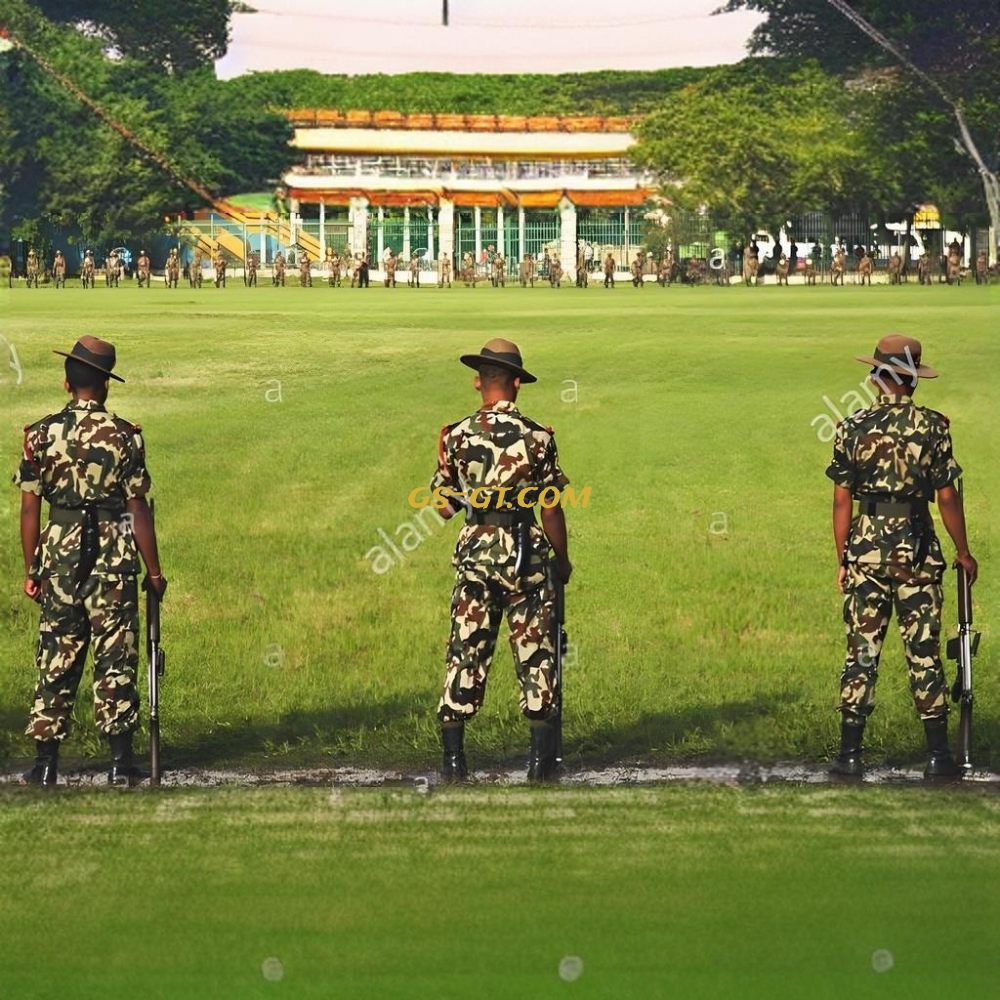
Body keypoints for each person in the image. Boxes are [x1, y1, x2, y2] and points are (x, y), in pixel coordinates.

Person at [14, 337, 167, 787]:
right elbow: (138, 508)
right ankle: (121, 763)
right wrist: (154, 572)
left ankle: (45, 763)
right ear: (104, 387)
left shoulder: (39, 434)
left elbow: (29, 510)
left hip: (58, 556)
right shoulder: (125, 435)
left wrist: (32, 569)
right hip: (113, 553)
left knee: (56, 657)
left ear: (68, 383)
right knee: (116, 656)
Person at [826, 334, 978, 780]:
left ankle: (849, 756)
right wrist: (963, 552)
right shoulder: (933, 426)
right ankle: (939, 758)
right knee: (924, 652)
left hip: (866, 554)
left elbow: (841, 502)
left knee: (861, 653)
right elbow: (946, 497)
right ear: (913, 381)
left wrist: (844, 559)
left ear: (876, 377)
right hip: (917, 552)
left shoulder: (850, 427)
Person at [430, 339, 572, 782]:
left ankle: (454, 765)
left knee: (465, 650)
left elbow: (443, 506)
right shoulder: (537, 437)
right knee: (536, 655)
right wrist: (562, 561)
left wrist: (459, 475)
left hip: (474, 557)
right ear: (516, 384)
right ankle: (539, 766)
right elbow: (550, 507)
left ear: (478, 382)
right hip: (524, 557)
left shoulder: (454, 435)